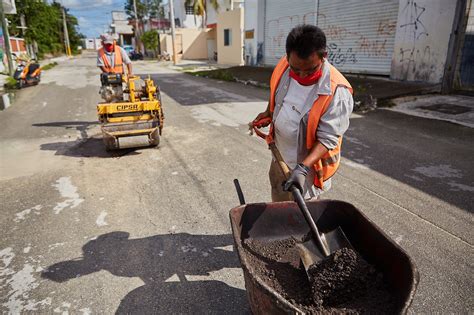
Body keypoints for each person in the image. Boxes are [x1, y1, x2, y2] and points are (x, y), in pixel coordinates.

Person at [252, 25, 354, 202]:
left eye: (310, 70)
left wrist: (303, 168)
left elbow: (328, 138)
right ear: (288, 57)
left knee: (303, 213)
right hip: (279, 156)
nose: (302, 76)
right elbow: (277, 92)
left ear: (324, 57)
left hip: (307, 167)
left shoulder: (338, 92)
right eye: (296, 70)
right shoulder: (285, 66)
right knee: (278, 198)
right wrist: (269, 112)